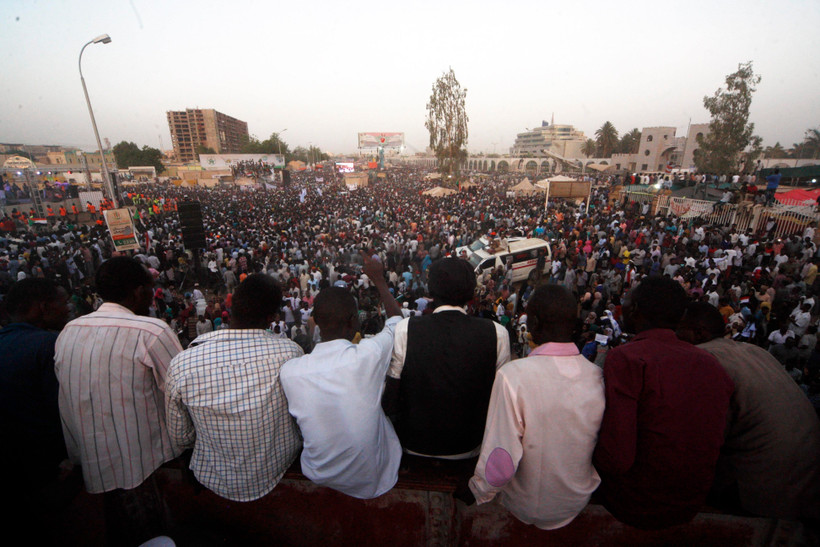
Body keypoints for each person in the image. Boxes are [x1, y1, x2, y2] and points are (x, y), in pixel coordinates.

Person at [55, 256, 184, 545]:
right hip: (142, 462)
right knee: (151, 532)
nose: (153, 296)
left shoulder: (69, 331)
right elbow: (181, 393)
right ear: (138, 291)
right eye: (150, 289)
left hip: (92, 460)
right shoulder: (151, 331)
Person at [592, 277, 734, 530]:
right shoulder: (711, 365)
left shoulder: (627, 358)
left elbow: (616, 459)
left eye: (626, 301)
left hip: (637, 504)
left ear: (635, 309)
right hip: (692, 501)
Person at [469, 284, 605, 530]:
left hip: (523, 503)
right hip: (576, 500)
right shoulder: (597, 375)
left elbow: (501, 462)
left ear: (533, 323)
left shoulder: (513, 376)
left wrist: (478, 490)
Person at [165, 273, 303, 502]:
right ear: (271, 317)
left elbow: (181, 437)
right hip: (277, 470)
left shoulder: (183, 363)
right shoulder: (290, 353)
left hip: (211, 477)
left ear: (230, 307)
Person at [677, 302, 820, 519]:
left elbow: (701, 443)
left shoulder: (703, 359)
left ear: (698, 333)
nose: (674, 336)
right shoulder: (753, 350)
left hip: (769, 494)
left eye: (678, 330)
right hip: (807, 480)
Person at [280, 251, 403, 499]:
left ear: (315, 321)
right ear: (353, 322)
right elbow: (397, 322)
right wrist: (379, 280)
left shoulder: (290, 371)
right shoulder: (368, 354)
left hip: (317, 472)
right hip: (375, 478)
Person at [384, 257, 511, 459]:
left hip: (414, 444)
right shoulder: (497, 333)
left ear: (431, 291)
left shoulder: (405, 329)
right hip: (469, 446)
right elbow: (500, 402)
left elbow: (391, 397)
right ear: (471, 293)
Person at [0, 278, 71, 535]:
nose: (68, 309)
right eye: (63, 303)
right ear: (44, 307)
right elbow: (62, 412)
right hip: (44, 473)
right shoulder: (48, 345)